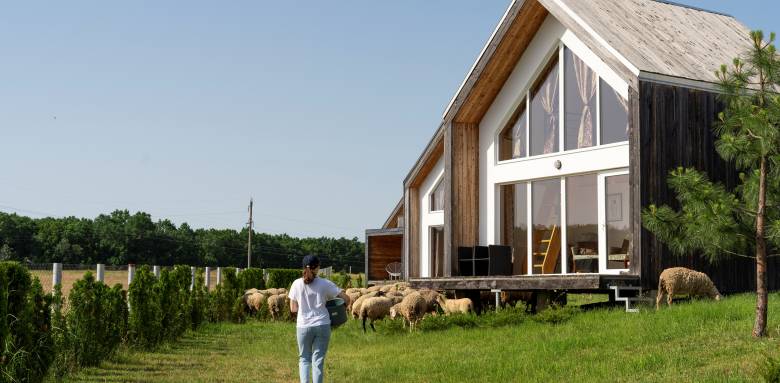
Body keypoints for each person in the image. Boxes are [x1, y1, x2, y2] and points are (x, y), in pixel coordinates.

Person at [288, 255, 350, 383]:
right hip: (322, 324)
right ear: (316, 268)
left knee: (304, 358)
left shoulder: (296, 284)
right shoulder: (325, 283)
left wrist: (306, 311)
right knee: (318, 360)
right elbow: (346, 298)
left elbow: (293, 309)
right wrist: (341, 308)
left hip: (303, 326)